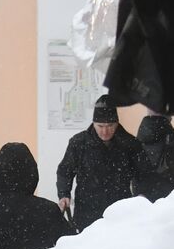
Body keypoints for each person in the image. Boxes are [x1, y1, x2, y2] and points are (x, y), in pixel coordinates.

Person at [55, 95, 141, 231]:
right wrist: (64, 194)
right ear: (93, 123)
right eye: (100, 126)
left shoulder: (130, 144)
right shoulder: (79, 143)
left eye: (110, 126)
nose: (105, 131)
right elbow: (65, 171)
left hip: (120, 214)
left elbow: (142, 174)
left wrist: (141, 196)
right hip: (87, 214)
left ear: (117, 123)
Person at [133, 112, 174, 202]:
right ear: (167, 119)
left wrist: (139, 194)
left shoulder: (138, 141)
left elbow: (134, 171)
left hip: (146, 197)